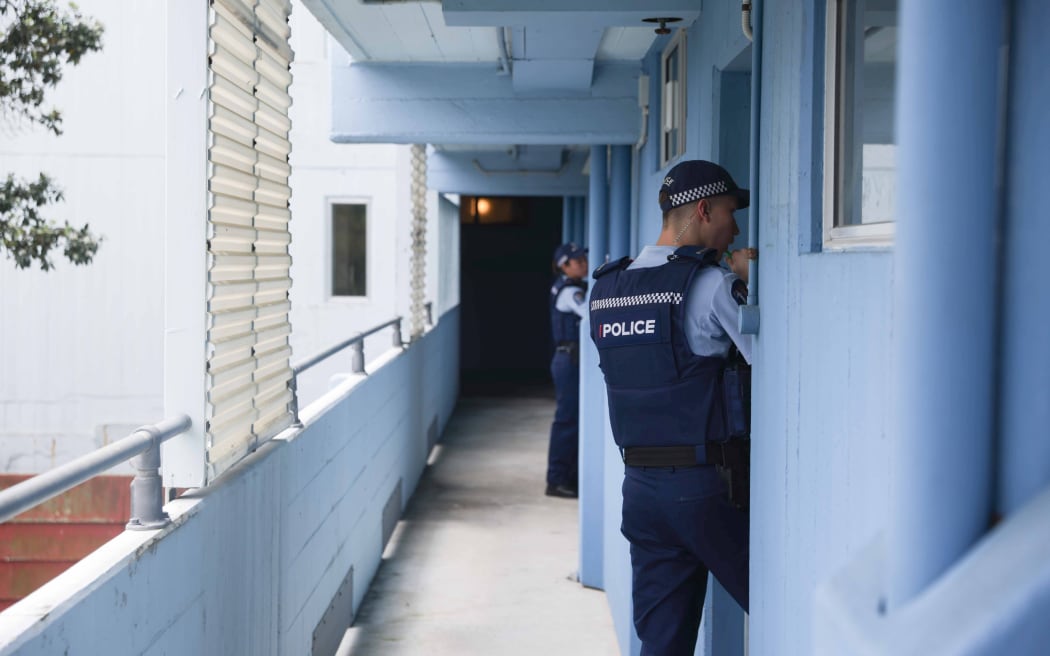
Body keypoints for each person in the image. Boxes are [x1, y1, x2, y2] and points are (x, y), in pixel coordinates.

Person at [588, 160, 755, 654]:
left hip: (640, 492)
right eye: (729, 211)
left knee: (661, 644)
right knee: (784, 606)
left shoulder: (607, 291)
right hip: (708, 489)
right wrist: (752, 279)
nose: (736, 227)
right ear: (703, 210)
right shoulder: (709, 285)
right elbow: (771, 360)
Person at [546, 242, 589, 498]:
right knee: (567, 420)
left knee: (571, 419)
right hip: (568, 360)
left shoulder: (569, 287)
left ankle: (567, 476)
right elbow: (590, 314)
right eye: (578, 261)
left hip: (569, 359)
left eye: (584, 258)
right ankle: (557, 479)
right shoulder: (570, 292)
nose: (583, 263)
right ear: (564, 265)